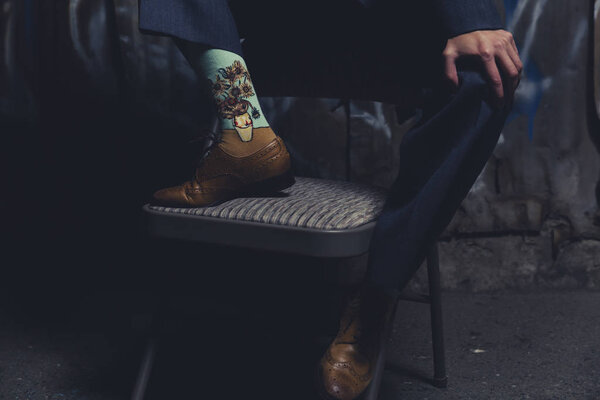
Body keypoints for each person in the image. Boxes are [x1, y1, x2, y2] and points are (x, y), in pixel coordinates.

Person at [138, 1, 522, 398]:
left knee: (486, 77)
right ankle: (245, 131)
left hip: (385, 28)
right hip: (268, 31)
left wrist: (472, 20)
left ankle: (376, 299)